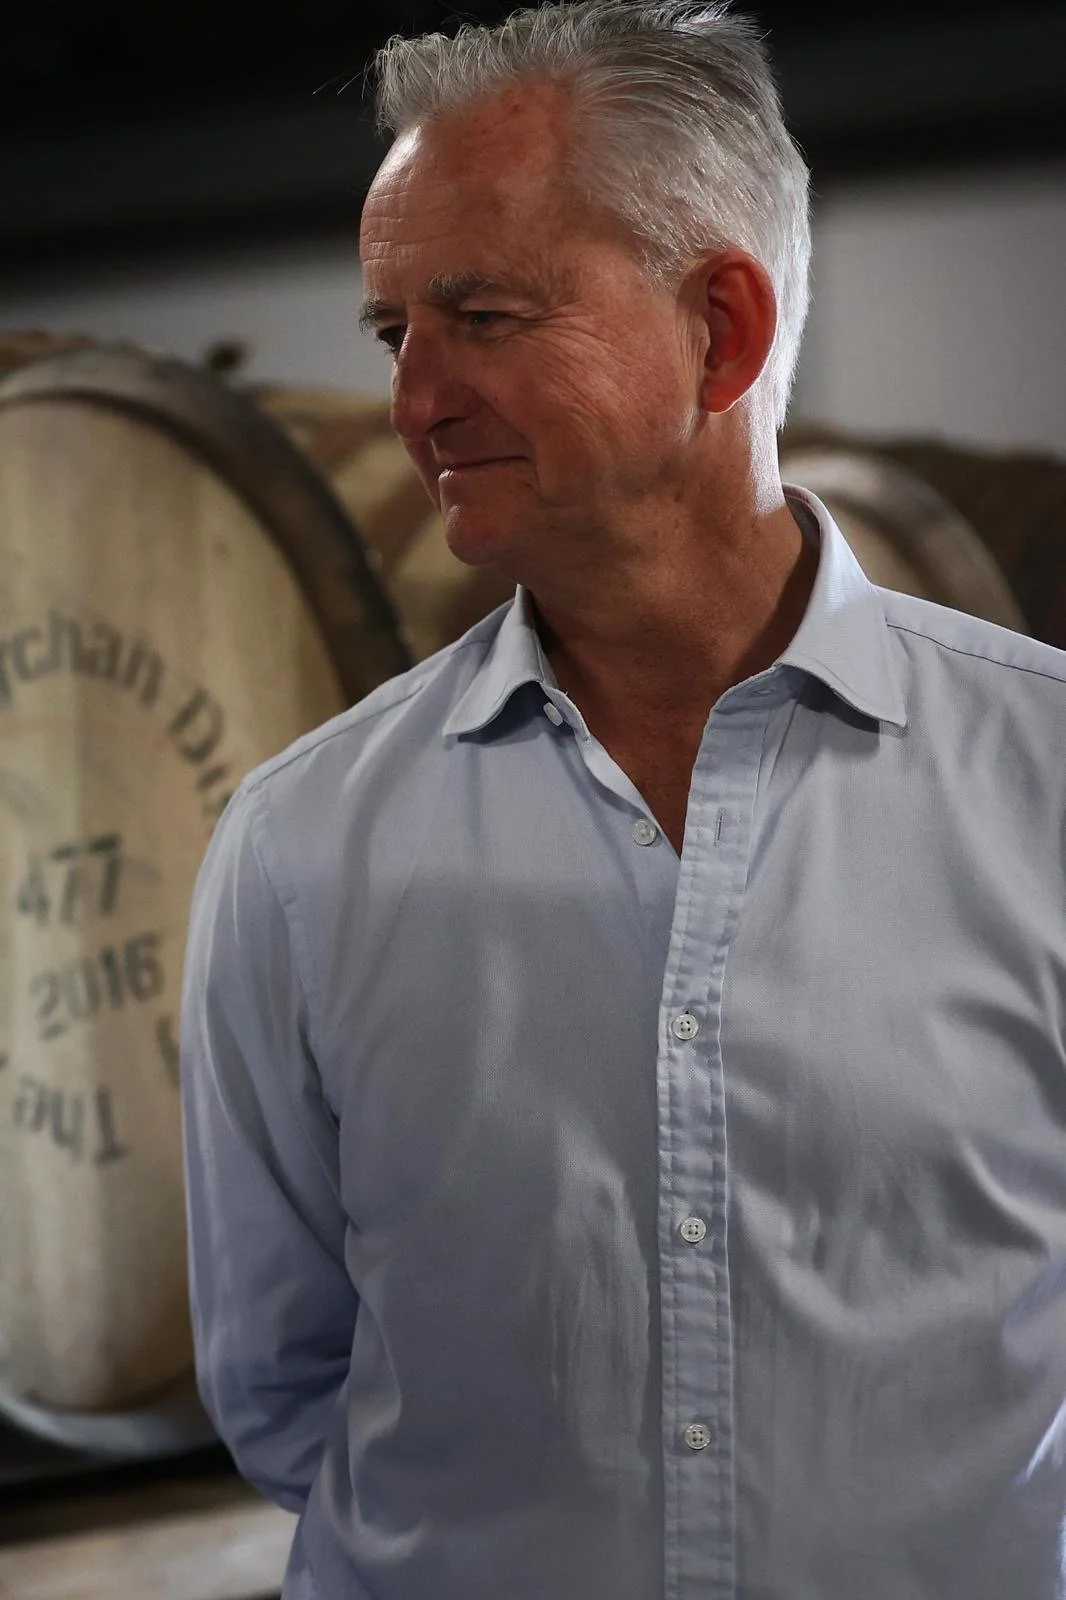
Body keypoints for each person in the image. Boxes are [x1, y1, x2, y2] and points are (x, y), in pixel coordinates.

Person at [179, 3, 1066, 1597]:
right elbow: (283, 1391)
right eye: (395, 333)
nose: (414, 401)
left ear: (720, 328)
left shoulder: (1046, 783)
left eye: (485, 317)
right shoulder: (302, 847)